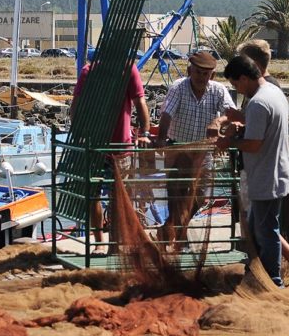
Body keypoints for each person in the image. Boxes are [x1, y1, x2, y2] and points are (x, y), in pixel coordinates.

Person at [215, 55, 289, 286]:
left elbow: (255, 144)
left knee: (266, 232)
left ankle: (272, 281)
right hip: (276, 172)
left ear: (245, 78)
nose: (236, 89)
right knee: (260, 227)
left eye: (236, 85)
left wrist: (229, 143)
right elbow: (264, 128)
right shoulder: (274, 93)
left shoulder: (257, 103)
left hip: (267, 176)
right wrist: (243, 119)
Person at [154, 51, 235, 249]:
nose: (201, 78)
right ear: (190, 71)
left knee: (202, 196)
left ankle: (171, 227)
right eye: (198, 73)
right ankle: (180, 236)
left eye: (206, 74)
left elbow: (232, 114)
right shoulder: (178, 88)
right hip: (179, 147)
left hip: (204, 150)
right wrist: (162, 141)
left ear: (212, 76)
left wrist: (220, 122)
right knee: (177, 194)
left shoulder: (218, 90)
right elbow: (166, 115)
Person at [71, 57, 152, 247]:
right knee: (94, 195)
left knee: (118, 198)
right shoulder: (88, 72)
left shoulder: (128, 69)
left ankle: (115, 244)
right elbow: (76, 106)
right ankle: (99, 241)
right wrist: (78, 133)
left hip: (121, 147)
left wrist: (145, 133)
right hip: (94, 146)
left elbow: (140, 102)